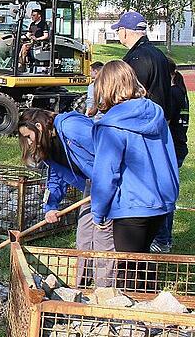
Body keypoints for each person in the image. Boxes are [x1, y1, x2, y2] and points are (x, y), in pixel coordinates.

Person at [91, 60, 178, 289]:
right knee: (144, 262)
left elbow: (106, 174)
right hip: (160, 201)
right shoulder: (155, 112)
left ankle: (135, 318)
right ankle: (155, 311)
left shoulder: (109, 125)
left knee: (129, 271)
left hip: (133, 206)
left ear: (105, 87)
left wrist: (98, 212)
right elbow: (169, 154)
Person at [17, 108, 114, 286]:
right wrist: (51, 205)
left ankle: (105, 290)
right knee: (84, 235)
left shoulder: (71, 126)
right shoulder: (47, 144)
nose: (28, 142)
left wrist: (106, 186)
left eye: (28, 136)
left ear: (38, 126)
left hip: (110, 182)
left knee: (102, 236)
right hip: (92, 185)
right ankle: (81, 285)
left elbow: (108, 152)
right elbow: (55, 175)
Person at [150, 59, 190, 253]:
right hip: (178, 147)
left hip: (171, 149)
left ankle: (163, 239)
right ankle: (164, 238)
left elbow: (164, 121)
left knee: (162, 194)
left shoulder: (172, 94)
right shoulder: (180, 91)